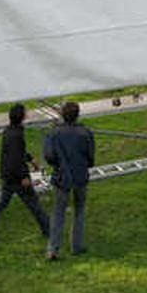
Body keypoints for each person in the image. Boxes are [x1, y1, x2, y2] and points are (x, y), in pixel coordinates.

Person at [0, 104, 50, 241]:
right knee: (33, 203)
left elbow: (17, 152)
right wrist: (24, 176)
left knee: (1, 203)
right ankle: (48, 229)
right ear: (22, 116)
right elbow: (16, 158)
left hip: (7, 175)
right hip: (17, 177)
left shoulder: (9, 131)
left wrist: (30, 159)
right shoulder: (17, 134)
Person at [43, 101, 95, 261]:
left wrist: (59, 164)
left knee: (58, 213)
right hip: (80, 176)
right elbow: (91, 158)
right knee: (79, 210)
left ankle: (53, 248)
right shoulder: (85, 132)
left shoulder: (54, 133)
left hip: (61, 176)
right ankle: (77, 245)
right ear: (77, 115)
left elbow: (49, 156)